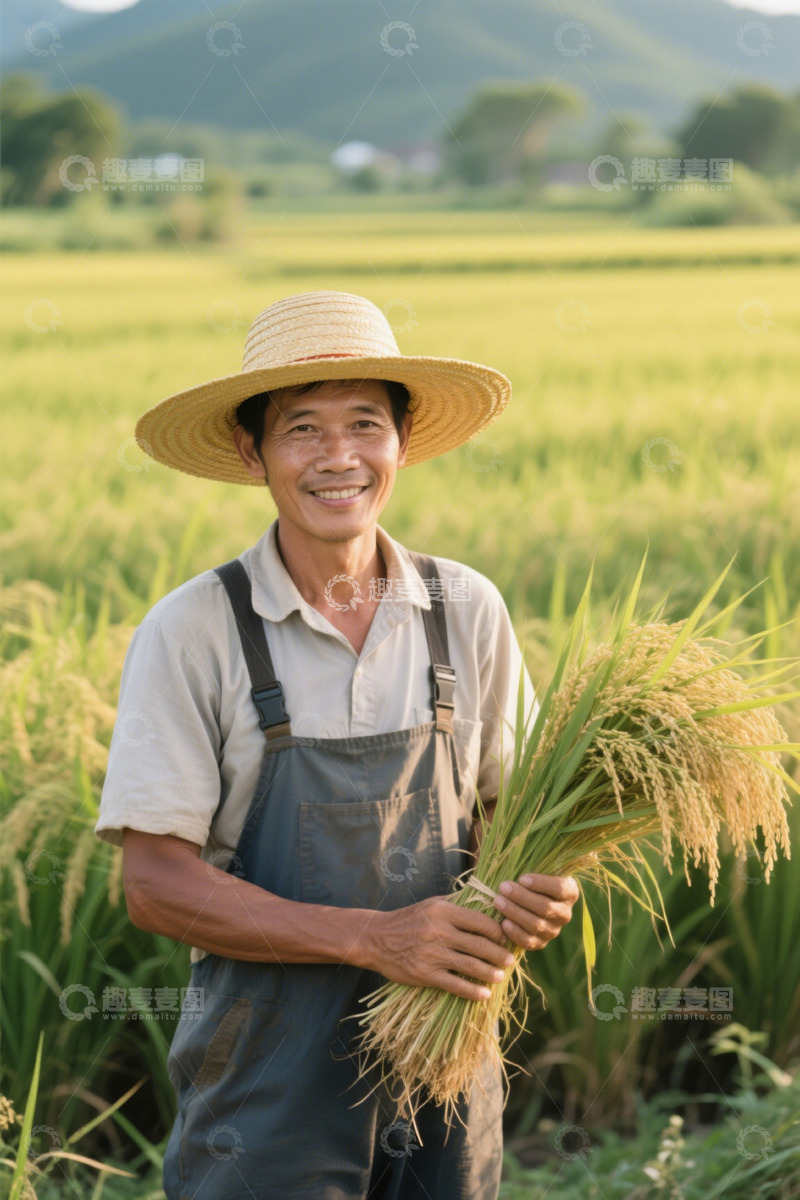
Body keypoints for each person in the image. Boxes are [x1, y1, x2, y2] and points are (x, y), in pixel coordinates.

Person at [94, 290, 579, 1199]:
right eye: (302, 429)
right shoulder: (196, 630)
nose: (338, 457)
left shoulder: (465, 610)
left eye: (365, 423)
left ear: (402, 441)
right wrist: (374, 938)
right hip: (266, 1084)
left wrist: (541, 893)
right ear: (253, 451)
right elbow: (154, 885)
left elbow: (516, 819)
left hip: (448, 1068)